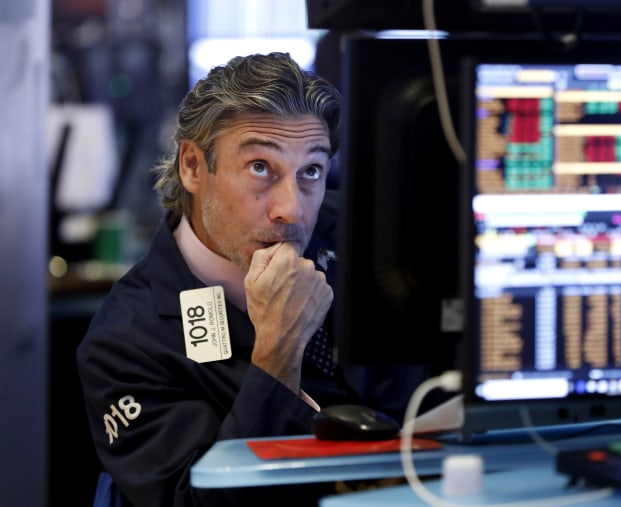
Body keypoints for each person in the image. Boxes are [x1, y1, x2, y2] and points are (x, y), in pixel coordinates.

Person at [76, 52, 411, 507]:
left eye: (310, 171)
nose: (290, 210)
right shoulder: (126, 341)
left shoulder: (371, 240)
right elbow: (191, 502)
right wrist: (279, 351)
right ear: (193, 166)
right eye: (260, 168)